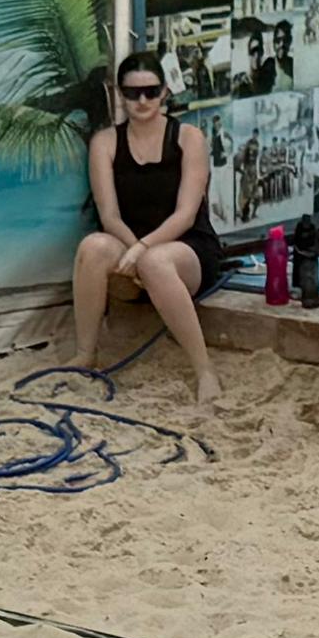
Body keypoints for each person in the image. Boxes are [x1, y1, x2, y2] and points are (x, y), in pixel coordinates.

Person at [70, 52, 219, 399]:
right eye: (132, 93)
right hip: (128, 246)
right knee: (92, 246)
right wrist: (132, 249)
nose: (142, 101)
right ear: (120, 94)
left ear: (164, 92)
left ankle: (205, 370)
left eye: (150, 92)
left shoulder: (188, 138)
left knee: (156, 261)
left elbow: (186, 214)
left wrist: (142, 248)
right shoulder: (105, 143)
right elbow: (109, 215)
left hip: (187, 249)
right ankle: (85, 352)